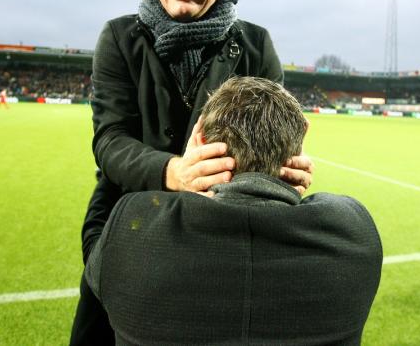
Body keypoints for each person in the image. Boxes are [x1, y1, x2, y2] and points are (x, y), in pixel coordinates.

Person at [70, 0, 313, 345]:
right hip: (127, 220)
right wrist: (172, 172)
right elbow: (109, 139)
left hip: (221, 228)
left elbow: (272, 139)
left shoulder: (256, 45)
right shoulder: (119, 38)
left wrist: (285, 167)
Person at [85, 76, 383, 346]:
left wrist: (113, 172)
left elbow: (94, 244)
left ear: (199, 139)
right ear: (300, 140)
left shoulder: (129, 232)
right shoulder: (354, 232)